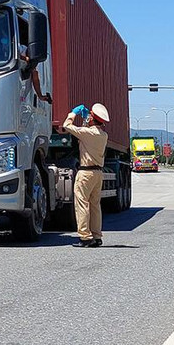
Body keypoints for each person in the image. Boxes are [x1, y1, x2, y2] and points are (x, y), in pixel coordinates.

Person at [62, 103, 110, 248]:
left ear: (92, 118)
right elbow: (86, 132)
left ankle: (85, 236)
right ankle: (96, 236)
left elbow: (67, 126)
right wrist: (86, 120)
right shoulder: (103, 135)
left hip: (86, 172)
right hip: (98, 173)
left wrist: (73, 113)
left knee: (82, 203)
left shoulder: (88, 133)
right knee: (95, 205)